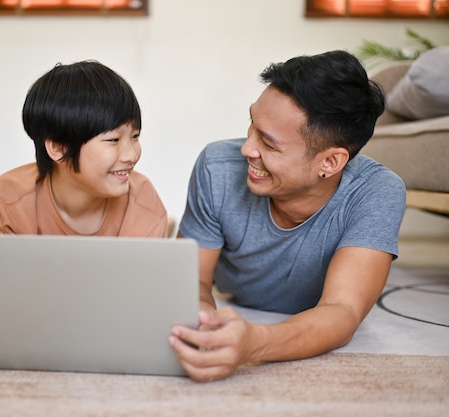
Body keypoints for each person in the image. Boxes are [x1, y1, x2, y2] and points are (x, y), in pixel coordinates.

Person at [168, 50, 406, 382]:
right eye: (252, 125)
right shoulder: (216, 168)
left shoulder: (377, 192)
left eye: (269, 143)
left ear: (330, 162)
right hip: (235, 295)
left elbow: (342, 311)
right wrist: (204, 322)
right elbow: (191, 280)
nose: (247, 149)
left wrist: (255, 343)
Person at [0, 60, 167, 237]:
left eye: (135, 136)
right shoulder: (10, 198)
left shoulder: (142, 200)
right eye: (113, 140)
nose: (131, 155)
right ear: (59, 148)